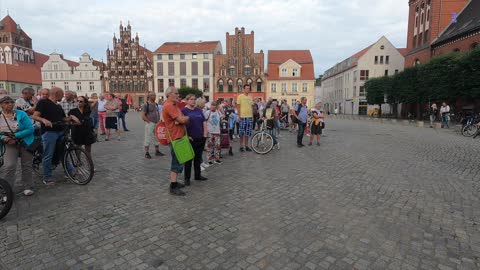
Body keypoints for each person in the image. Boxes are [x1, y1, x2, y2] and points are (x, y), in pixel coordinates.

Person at [32, 87, 80, 185]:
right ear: (56, 93)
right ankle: (47, 177)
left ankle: (70, 171)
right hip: (49, 132)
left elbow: (63, 119)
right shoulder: (43, 102)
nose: (63, 97)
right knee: (48, 155)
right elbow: (35, 116)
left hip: (60, 131)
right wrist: (44, 120)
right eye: (62, 95)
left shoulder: (58, 106)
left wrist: (71, 117)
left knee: (63, 152)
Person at [0, 95, 35, 196]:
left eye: (11, 102)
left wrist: (15, 136)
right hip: (8, 144)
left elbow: (30, 128)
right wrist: (3, 138)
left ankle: (27, 186)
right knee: (9, 166)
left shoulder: (21, 114)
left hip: (24, 142)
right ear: (1, 105)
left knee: (26, 165)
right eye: (6, 103)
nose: (10, 104)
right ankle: (6, 191)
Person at [162, 86, 190, 196]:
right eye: (176, 93)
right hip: (174, 138)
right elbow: (182, 119)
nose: (178, 95)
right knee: (176, 162)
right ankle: (173, 186)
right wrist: (187, 118)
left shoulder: (174, 105)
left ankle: (175, 182)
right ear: (169, 94)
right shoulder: (169, 106)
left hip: (178, 136)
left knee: (180, 160)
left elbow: (182, 118)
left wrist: (183, 119)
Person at [181, 94, 208, 185]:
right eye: (191, 99)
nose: (193, 101)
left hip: (200, 137)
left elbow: (204, 122)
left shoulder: (199, 110)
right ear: (187, 100)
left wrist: (205, 135)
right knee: (188, 159)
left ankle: (197, 175)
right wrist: (186, 135)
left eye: (194, 99)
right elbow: (181, 125)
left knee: (198, 158)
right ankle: (187, 178)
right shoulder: (184, 111)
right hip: (190, 138)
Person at [141, 92, 164, 159]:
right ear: (149, 96)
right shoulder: (146, 105)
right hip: (150, 123)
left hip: (156, 123)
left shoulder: (156, 104)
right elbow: (143, 115)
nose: (153, 96)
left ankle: (157, 151)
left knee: (157, 137)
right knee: (148, 138)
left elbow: (157, 113)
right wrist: (149, 122)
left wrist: (159, 120)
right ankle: (147, 153)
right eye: (152, 95)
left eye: (154, 95)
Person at [236, 85, 254, 152]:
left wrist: (252, 116)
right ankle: (241, 146)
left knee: (248, 132)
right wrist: (239, 116)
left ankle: (246, 146)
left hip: (249, 117)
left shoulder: (250, 97)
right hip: (242, 117)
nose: (248, 89)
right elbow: (238, 107)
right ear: (243, 89)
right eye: (246, 88)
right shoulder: (240, 96)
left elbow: (251, 107)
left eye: (249, 88)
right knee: (241, 133)